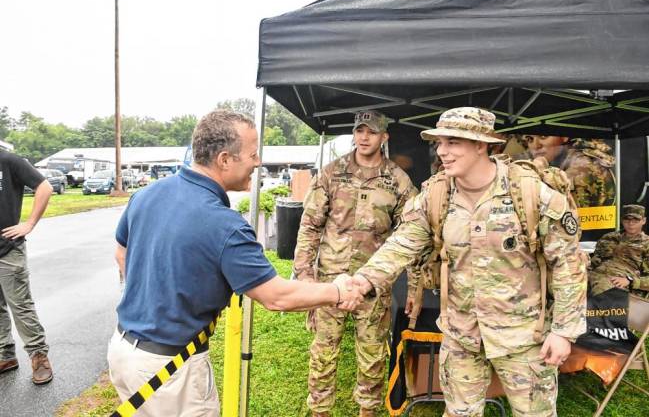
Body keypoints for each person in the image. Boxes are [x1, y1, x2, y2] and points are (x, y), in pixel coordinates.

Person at [107, 110, 364, 417]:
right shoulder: (224, 225)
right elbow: (276, 296)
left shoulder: (148, 194)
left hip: (123, 352)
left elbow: (121, 253)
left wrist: (160, 290)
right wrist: (337, 291)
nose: (257, 163)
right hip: (170, 373)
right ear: (225, 159)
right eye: (253, 154)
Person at [351, 107, 587, 417]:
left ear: (481, 145)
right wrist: (363, 279)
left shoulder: (529, 193)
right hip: (461, 336)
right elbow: (402, 242)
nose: (442, 151)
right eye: (440, 142)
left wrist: (563, 332)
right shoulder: (436, 195)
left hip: (524, 339)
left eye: (453, 142)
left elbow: (568, 264)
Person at [293, 110, 417, 417]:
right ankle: (320, 411)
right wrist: (304, 275)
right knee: (323, 352)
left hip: (374, 285)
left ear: (384, 137)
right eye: (360, 130)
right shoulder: (331, 172)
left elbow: (414, 234)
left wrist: (415, 285)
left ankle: (367, 412)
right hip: (330, 281)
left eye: (371, 132)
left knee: (373, 354)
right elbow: (309, 225)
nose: (364, 137)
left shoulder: (397, 180)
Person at [0, 150, 54, 384]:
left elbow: (45, 188)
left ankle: (39, 357)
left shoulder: (9, 161)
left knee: (20, 306)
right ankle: (6, 355)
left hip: (8, 249)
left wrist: (29, 223)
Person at [521, 135, 615, 208]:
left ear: (564, 137)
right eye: (530, 139)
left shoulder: (581, 168)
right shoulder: (561, 163)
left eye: (543, 137)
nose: (536, 145)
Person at [589, 204, 649, 297]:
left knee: (603, 291)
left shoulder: (647, 244)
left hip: (618, 282)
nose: (631, 223)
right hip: (594, 275)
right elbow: (595, 260)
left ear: (643, 221)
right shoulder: (608, 237)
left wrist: (630, 280)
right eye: (627, 219)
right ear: (622, 220)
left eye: (635, 220)